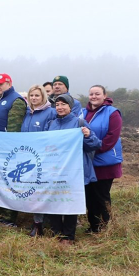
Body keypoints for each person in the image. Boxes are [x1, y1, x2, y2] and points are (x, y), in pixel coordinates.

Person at [46, 94, 101, 244]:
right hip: (55, 170)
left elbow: (95, 144)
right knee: (55, 201)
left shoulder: (79, 122)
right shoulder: (51, 124)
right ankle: (56, 233)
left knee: (70, 202)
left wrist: (88, 135)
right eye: (57, 105)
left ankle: (68, 236)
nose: (60, 107)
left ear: (70, 107)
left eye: (64, 104)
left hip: (74, 171)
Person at [82, 85, 123, 233]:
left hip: (105, 162)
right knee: (90, 196)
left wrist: (93, 148)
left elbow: (112, 137)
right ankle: (94, 226)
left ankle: (106, 227)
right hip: (88, 162)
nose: (93, 96)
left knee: (102, 196)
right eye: (91, 94)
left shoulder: (112, 113)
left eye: (97, 94)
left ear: (104, 95)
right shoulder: (83, 112)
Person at [0, 74, 27, 225]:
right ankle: (1, 213)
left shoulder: (16, 100)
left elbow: (13, 130)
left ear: (9, 83)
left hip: (7, 150)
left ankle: (10, 217)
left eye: (1, 84)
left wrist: (7, 148)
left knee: (9, 182)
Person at [20, 84, 57, 236]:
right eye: (32, 96)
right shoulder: (27, 113)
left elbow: (51, 136)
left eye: (37, 95)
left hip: (43, 159)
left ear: (43, 97)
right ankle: (37, 222)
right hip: (28, 158)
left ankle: (42, 223)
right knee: (32, 191)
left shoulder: (51, 113)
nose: (34, 98)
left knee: (42, 191)